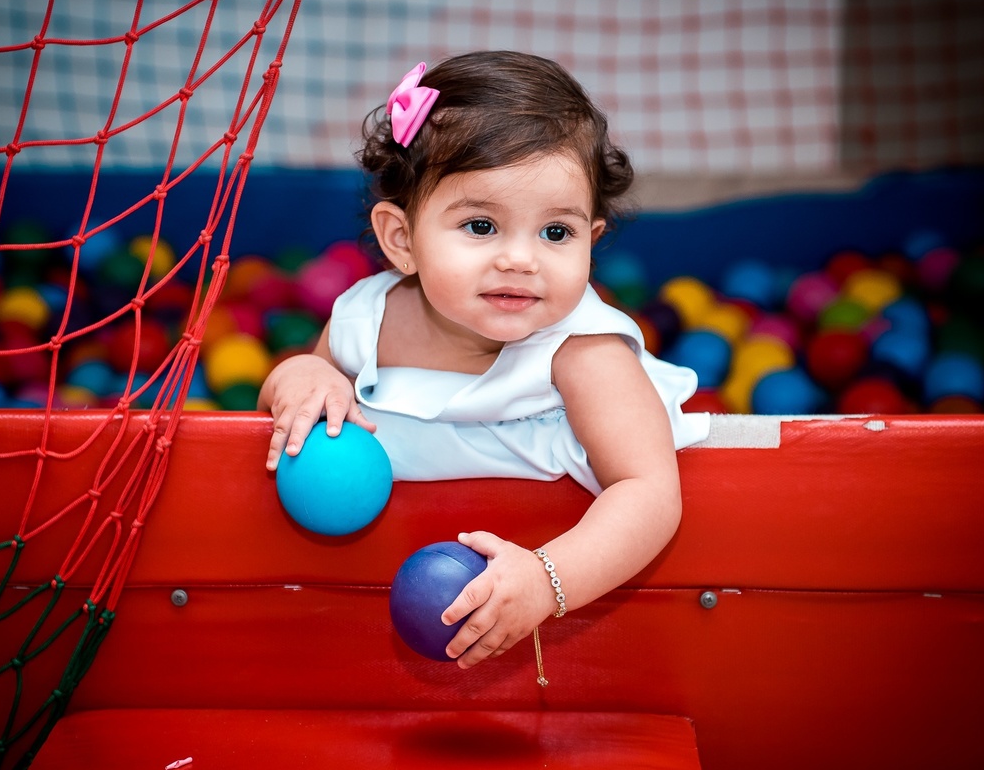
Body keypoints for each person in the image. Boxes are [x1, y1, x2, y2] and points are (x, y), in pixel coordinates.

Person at [258, 51, 709, 674]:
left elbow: (650, 493)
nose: (520, 259)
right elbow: (295, 393)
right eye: (480, 225)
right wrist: (303, 375)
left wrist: (549, 580)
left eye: (556, 233)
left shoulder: (583, 351)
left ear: (592, 240)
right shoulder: (366, 320)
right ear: (401, 240)